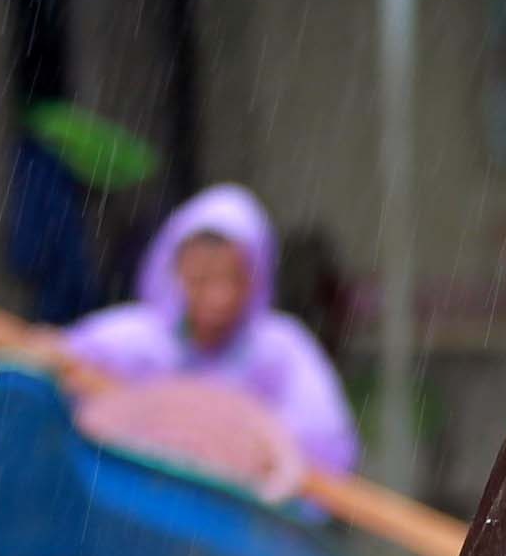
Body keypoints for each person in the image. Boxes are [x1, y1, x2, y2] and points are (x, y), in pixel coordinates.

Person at [57, 184, 360, 476]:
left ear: (257, 278)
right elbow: (52, 371)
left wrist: (247, 441)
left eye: (232, 279)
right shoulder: (130, 338)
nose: (218, 298)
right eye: (201, 279)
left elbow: (328, 438)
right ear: (174, 272)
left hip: (237, 520)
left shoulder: (280, 348)